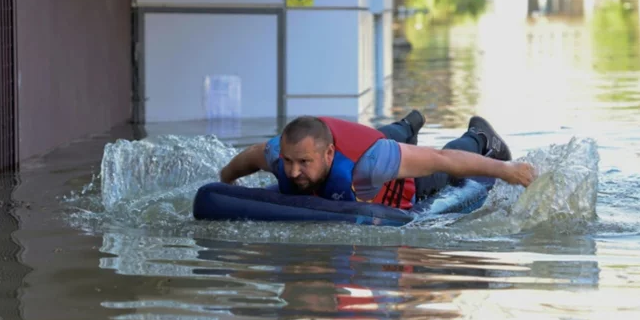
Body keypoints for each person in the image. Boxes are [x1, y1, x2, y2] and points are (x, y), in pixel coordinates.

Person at [219, 111, 536, 209]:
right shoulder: (278, 153)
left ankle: (480, 136)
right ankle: (407, 125)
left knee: (439, 173)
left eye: (303, 162)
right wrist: (225, 182)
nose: (293, 171)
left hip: (403, 182)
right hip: (360, 142)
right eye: (289, 162)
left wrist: (506, 169)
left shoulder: (371, 164)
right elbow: (246, 158)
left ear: (328, 154)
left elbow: (443, 159)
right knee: (380, 137)